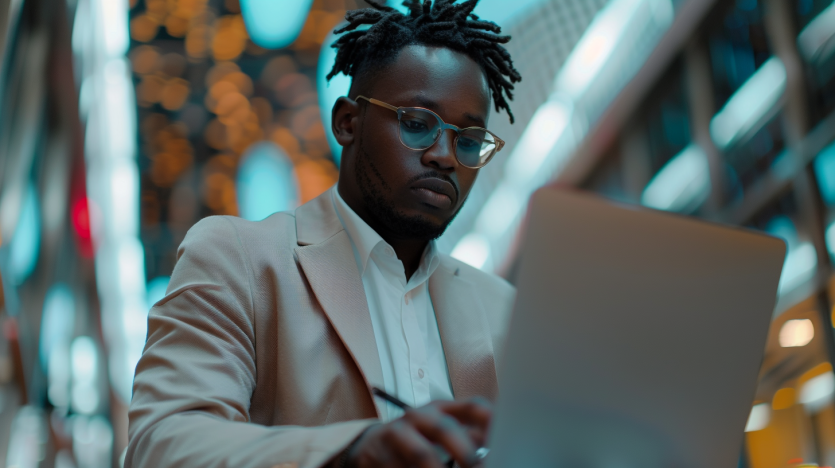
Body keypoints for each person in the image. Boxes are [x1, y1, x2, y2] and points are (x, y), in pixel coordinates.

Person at [126, 1, 522, 467]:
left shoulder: (505, 311)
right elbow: (162, 444)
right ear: (347, 123)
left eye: (469, 141)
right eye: (417, 125)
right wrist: (351, 452)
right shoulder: (236, 259)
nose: (445, 156)